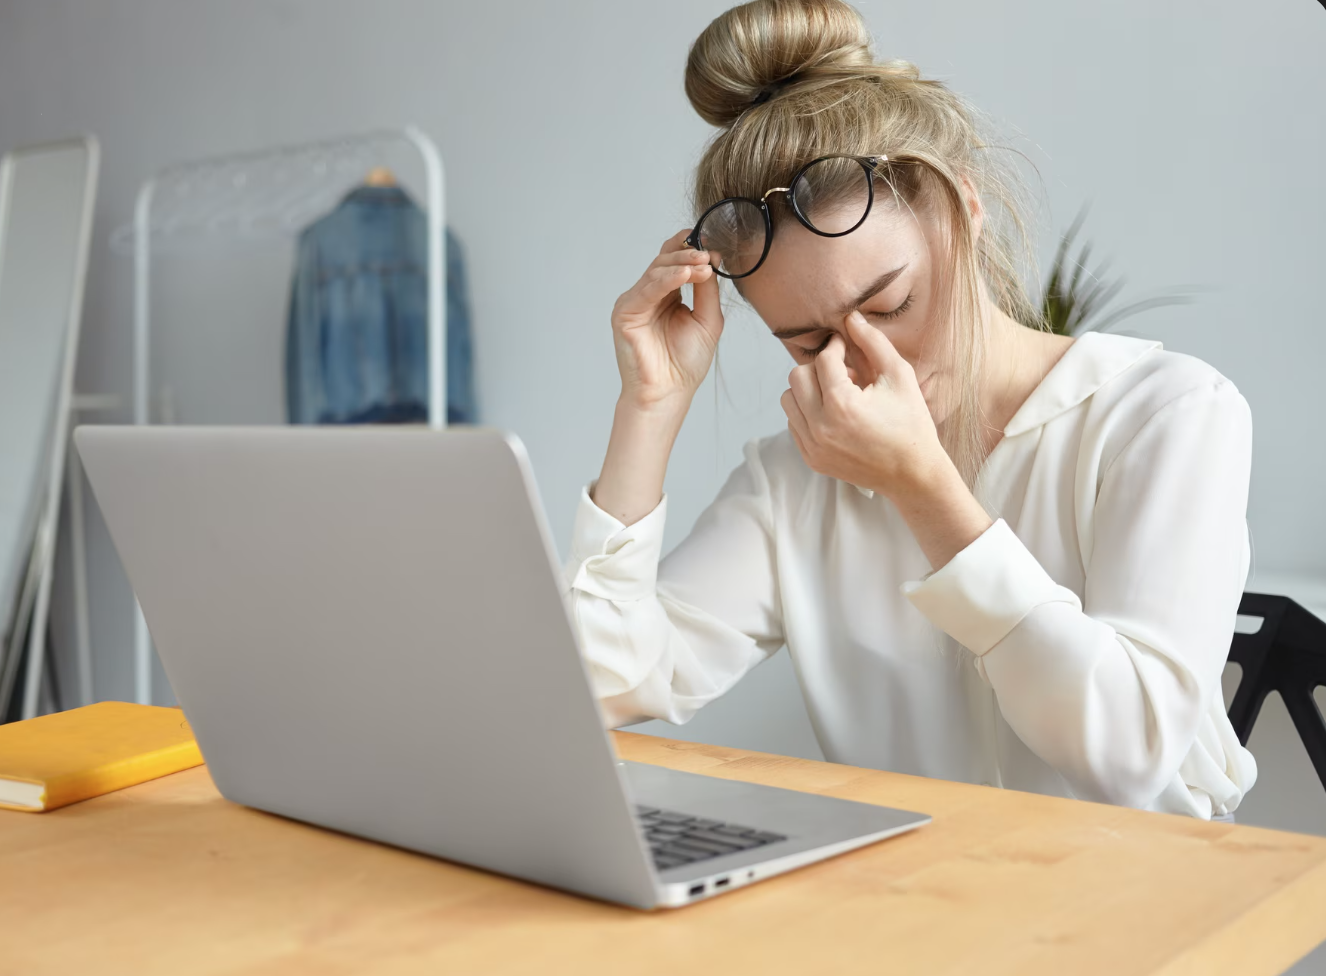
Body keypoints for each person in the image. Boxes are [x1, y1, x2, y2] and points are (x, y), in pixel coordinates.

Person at [563, 0, 1256, 820]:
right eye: (808, 341)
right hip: (909, 909)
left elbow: (1128, 752)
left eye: (889, 304)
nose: (864, 364)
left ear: (963, 206)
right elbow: (598, 687)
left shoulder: (1163, 414)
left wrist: (923, 490)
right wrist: (650, 405)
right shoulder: (799, 477)